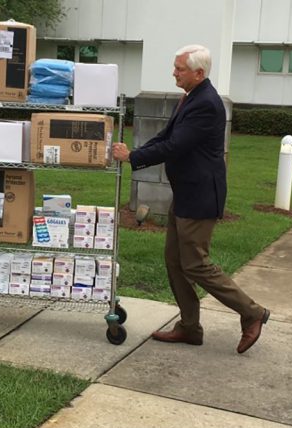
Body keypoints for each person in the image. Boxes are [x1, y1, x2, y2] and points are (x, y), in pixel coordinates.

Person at [111, 45, 269, 354]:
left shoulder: (206, 103)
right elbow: (166, 137)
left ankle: (252, 312)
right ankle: (189, 327)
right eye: (175, 67)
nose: (174, 73)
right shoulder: (190, 97)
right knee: (174, 261)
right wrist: (136, 152)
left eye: (179, 68)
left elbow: (175, 147)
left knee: (195, 264)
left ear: (198, 73)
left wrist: (132, 157)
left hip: (200, 197)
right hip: (185, 193)